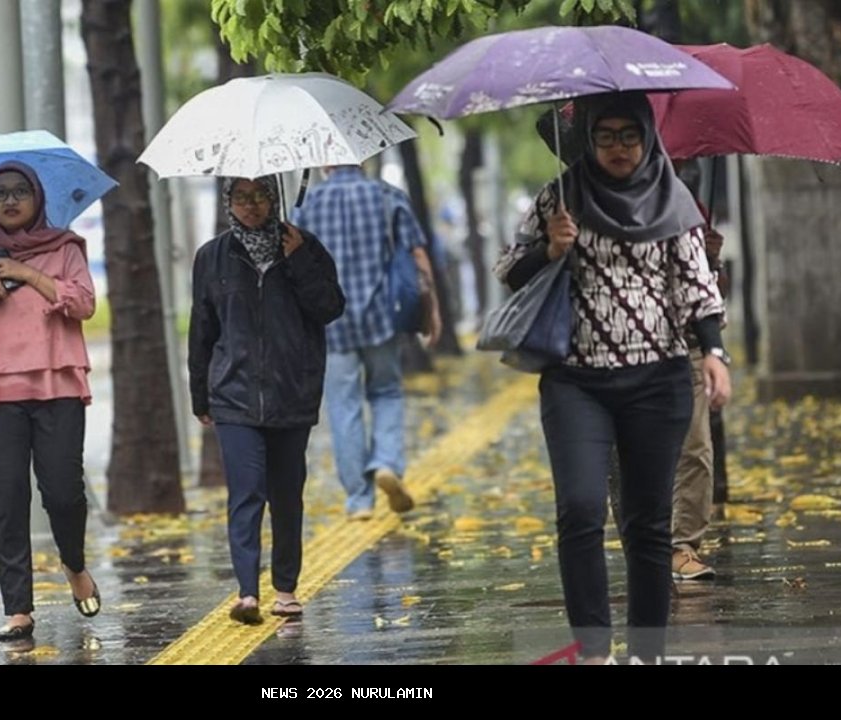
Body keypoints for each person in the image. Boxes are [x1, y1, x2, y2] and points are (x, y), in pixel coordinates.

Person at [495, 92, 732, 663]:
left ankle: (647, 653)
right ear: (589, 139)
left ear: (646, 137)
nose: (619, 148)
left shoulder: (672, 197)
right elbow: (508, 271)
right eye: (606, 136)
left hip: (658, 380)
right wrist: (549, 248)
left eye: (629, 135)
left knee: (647, 525)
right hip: (576, 381)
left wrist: (714, 352)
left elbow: (695, 284)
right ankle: (594, 650)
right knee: (579, 509)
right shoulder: (560, 194)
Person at [0, 161, 100, 642]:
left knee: (63, 493)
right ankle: (18, 608)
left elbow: (84, 304)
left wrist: (26, 273)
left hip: (57, 385)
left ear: (37, 197)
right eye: (0, 194)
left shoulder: (65, 248)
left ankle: (74, 563)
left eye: (19, 192)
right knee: (8, 499)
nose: (10, 201)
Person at [189, 175, 345, 624]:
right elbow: (202, 330)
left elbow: (330, 308)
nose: (252, 206)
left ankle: (286, 588)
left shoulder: (305, 247)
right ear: (228, 202)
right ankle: (246, 593)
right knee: (246, 492)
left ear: (274, 199)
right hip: (233, 394)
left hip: (291, 390)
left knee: (286, 494)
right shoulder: (212, 256)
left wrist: (298, 262)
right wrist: (201, 393)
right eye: (242, 197)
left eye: (261, 196)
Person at [292, 165, 441, 521]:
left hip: (332, 323)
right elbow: (418, 255)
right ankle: (387, 462)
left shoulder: (306, 206)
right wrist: (432, 310)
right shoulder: (388, 195)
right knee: (386, 391)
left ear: (326, 163)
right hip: (382, 318)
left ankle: (359, 500)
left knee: (344, 406)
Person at [670, 159, 730, 581]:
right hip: (628, 354)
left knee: (696, 449)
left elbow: (708, 291)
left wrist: (712, 259)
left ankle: (683, 546)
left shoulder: (689, 205)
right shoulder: (588, 199)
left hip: (688, 345)